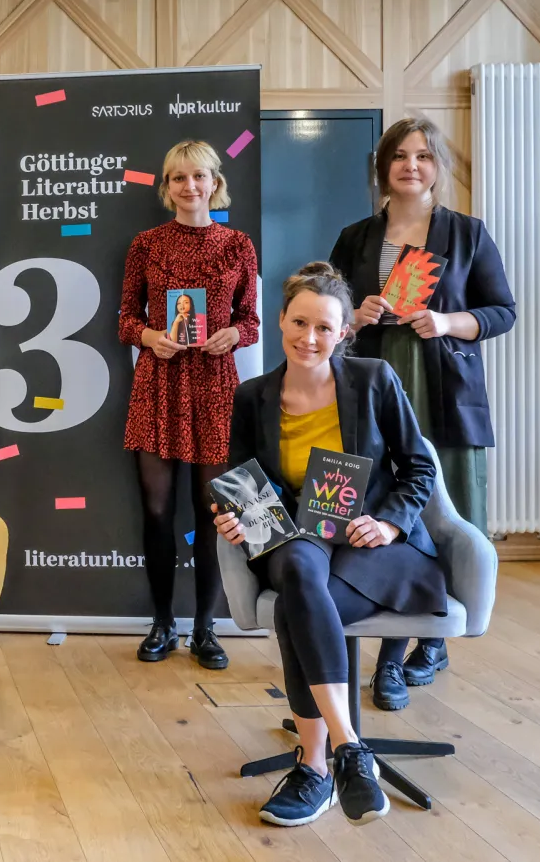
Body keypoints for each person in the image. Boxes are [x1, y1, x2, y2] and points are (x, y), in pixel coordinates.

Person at [215, 261, 445, 827]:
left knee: (297, 604)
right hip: (297, 535)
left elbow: (418, 467)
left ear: (343, 332)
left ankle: (315, 765)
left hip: (373, 546)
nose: (309, 338)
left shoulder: (374, 380)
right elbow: (236, 478)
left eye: (324, 327)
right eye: (300, 322)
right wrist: (230, 515)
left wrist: (390, 522)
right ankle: (350, 751)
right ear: (280, 320)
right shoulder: (252, 397)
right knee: (295, 563)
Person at [329, 117, 515, 710]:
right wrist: (355, 315)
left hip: (443, 393)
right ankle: (384, 644)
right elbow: (323, 313)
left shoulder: (467, 234)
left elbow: (502, 312)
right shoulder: (355, 237)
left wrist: (447, 322)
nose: (412, 166)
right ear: (382, 167)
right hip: (372, 396)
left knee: (440, 522)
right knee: (380, 517)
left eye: (424, 156)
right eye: (400, 156)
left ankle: (423, 643)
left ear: (438, 167)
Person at [119, 140, 259, 667]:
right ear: (166, 187)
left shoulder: (237, 244)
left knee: (214, 512)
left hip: (215, 387)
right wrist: (150, 336)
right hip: (157, 385)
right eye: (178, 177)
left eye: (198, 176)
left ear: (214, 182)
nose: (189, 186)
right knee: (156, 513)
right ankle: (162, 624)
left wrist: (234, 336)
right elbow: (125, 318)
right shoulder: (146, 244)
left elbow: (252, 318)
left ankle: (206, 627)